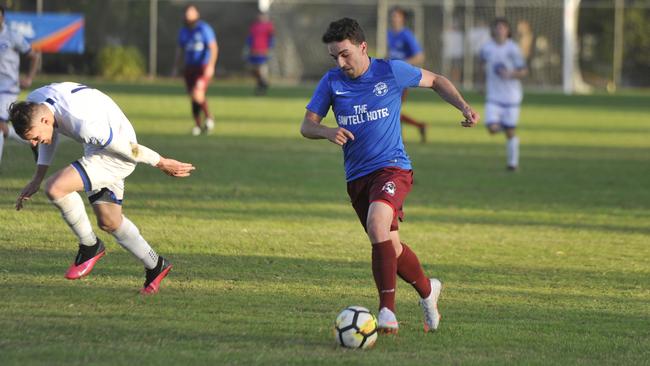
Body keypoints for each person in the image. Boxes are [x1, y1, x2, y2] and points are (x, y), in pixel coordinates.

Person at [300, 18, 479, 333]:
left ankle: (387, 312)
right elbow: (307, 125)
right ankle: (428, 289)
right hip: (357, 177)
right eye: (334, 57)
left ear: (362, 47)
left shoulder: (390, 71)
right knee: (389, 246)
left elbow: (437, 80)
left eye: (345, 54)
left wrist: (464, 107)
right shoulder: (331, 82)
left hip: (393, 167)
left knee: (377, 224)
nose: (340, 63)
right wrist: (327, 131)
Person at [10, 82, 195, 294]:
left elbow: (128, 148)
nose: (34, 143)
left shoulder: (82, 123)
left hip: (118, 152)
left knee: (55, 188)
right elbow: (48, 137)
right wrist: (37, 177)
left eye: (33, 138)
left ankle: (89, 246)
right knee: (110, 222)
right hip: (97, 146)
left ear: (44, 120)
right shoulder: (36, 103)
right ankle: (156, 265)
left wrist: (161, 162)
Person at [479, 18, 528, 171]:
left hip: (512, 96)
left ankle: (512, 164)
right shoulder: (486, 48)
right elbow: (481, 67)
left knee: (510, 132)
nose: (500, 30)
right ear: (493, 30)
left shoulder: (513, 49)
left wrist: (511, 73)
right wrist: (481, 84)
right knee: (492, 129)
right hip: (493, 96)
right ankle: (507, 129)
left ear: (508, 31)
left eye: (503, 27)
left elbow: (524, 71)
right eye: (497, 27)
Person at [0, 5, 41, 166]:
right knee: (3, 128)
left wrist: (29, 78)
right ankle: (32, 140)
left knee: (0, 125)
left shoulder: (12, 36)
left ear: (2, 17)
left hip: (8, 89)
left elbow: (34, 56)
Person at [173, 4, 218, 136]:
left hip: (202, 67)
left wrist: (211, 66)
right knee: (193, 97)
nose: (188, 14)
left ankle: (209, 118)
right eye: (187, 12)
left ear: (197, 14)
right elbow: (180, 50)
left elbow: (213, 48)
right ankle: (198, 125)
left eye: (191, 12)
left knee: (198, 93)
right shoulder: (184, 31)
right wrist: (176, 66)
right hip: (189, 68)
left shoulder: (204, 28)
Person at [387, 7, 427, 143]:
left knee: (390, 109)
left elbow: (419, 56)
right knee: (389, 108)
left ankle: (397, 138)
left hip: (401, 77)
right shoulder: (390, 34)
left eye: (397, 16)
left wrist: (401, 64)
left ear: (402, 18)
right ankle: (419, 126)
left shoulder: (407, 35)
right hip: (391, 76)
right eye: (392, 16)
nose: (394, 19)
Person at [246, 12, 274, 95]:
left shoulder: (269, 26)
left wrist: (269, 48)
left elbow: (271, 38)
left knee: (262, 68)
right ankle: (263, 83)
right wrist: (249, 47)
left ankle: (262, 86)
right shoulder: (254, 26)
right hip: (254, 51)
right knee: (252, 69)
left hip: (263, 51)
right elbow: (250, 38)